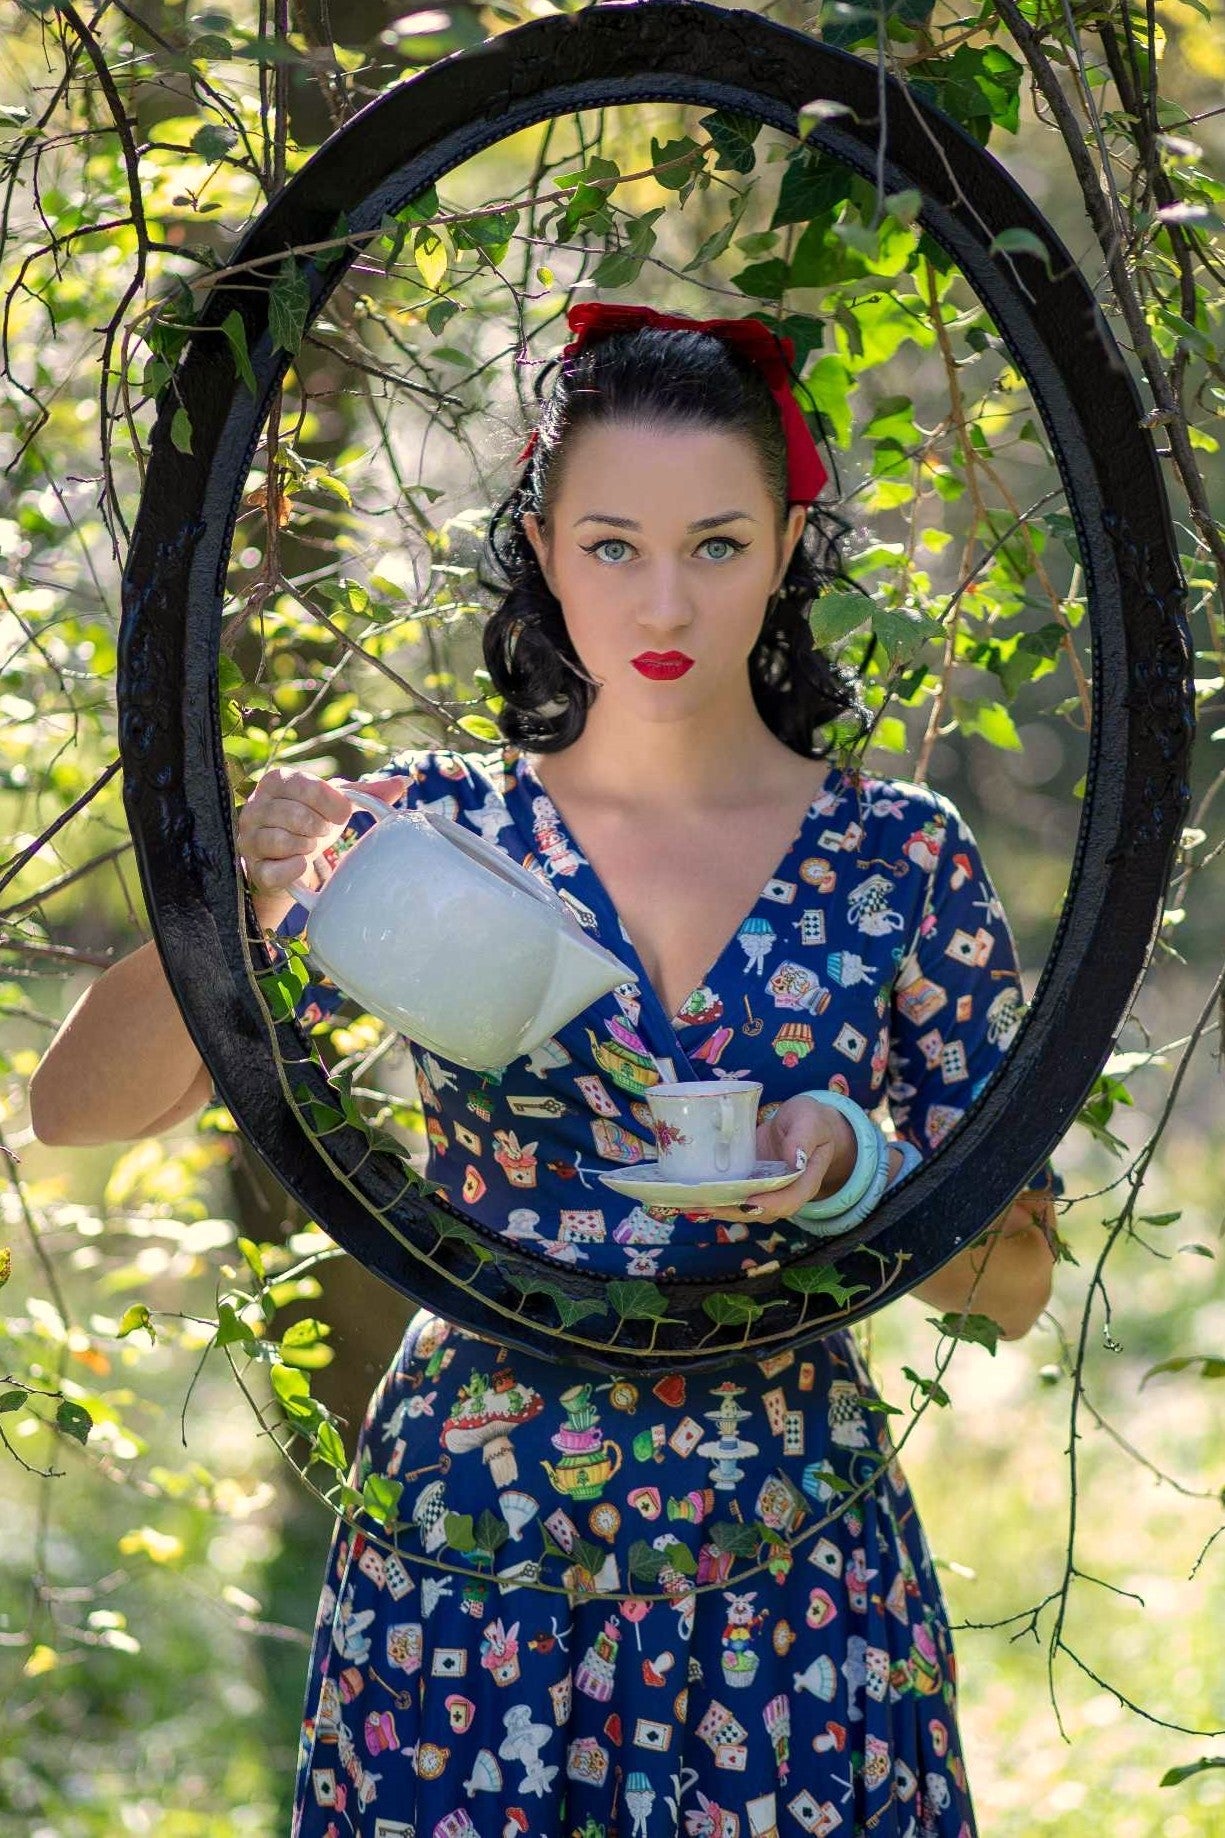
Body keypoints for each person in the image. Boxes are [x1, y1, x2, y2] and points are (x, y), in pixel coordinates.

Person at [31, 302, 1061, 1837]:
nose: (662, 597)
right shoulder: (439, 840)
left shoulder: (895, 857)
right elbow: (77, 1110)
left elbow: (1015, 1278)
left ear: (786, 544)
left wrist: (859, 1174)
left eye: (714, 545)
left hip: (780, 1546)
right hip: (475, 1542)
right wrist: (234, 905)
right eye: (609, 545)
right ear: (539, 542)